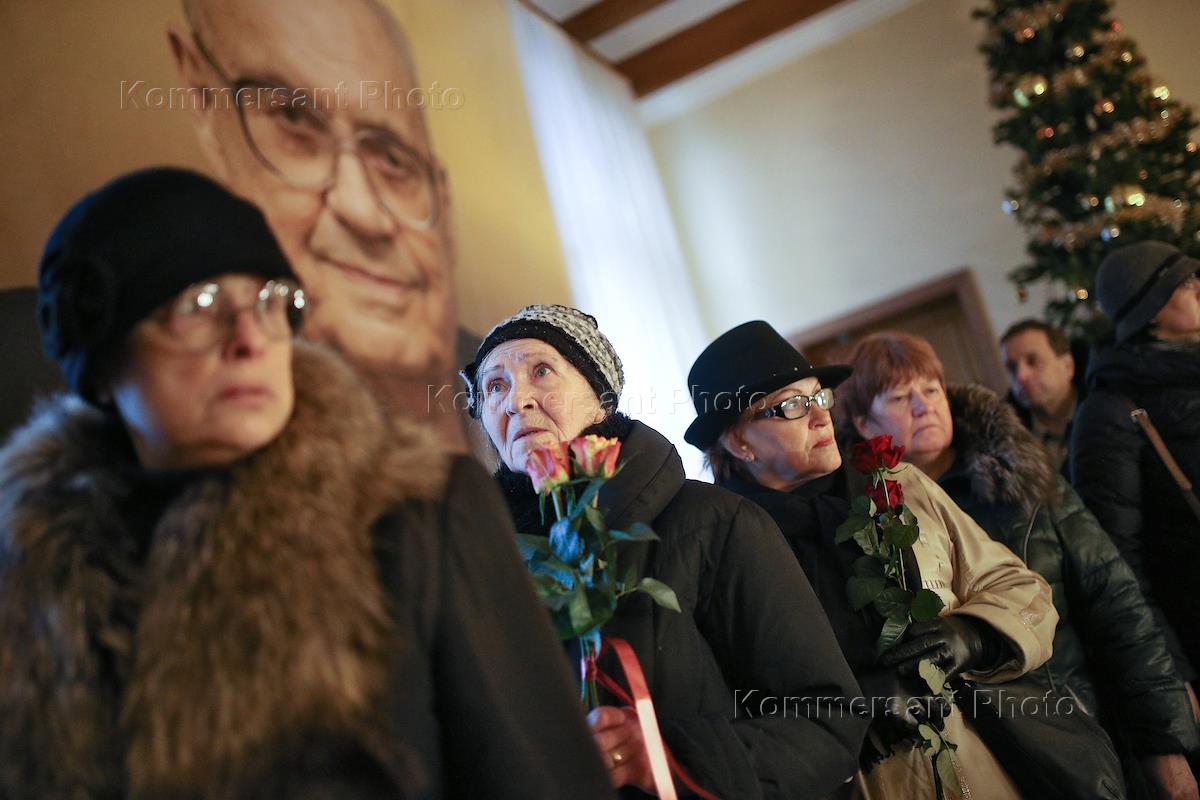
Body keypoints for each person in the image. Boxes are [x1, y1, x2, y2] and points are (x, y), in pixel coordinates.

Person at [0, 169, 613, 799]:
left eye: (271, 302)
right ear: (103, 362)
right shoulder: (29, 574)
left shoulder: (420, 513)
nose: (250, 339)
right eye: (200, 305)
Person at [461, 304, 869, 799]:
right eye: (494, 386)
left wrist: (668, 758)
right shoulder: (477, 570)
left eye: (541, 371)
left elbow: (829, 720)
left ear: (601, 400)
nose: (516, 400)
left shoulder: (715, 523)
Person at [688, 320, 1058, 800]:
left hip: (979, 768)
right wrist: (848, 708)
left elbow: (1020, 588)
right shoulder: (722, 548)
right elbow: (727, 711)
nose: (820, 417)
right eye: (791, 406)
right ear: (739, 442)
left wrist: (970, 636)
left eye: (819, 397)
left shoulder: (896, 484)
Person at [840, 330, 1199, 800]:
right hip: (968, 764)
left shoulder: (1024, 482)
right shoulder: (859, 526)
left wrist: (1164, 742)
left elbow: (1115, 601)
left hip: (1080, 731)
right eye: (901, 397)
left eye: (931, 389)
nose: (924, 406)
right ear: (864, 423)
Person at [168, 0, 470, 450]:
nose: (364, 213)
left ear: (443, 201)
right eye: (293, 118)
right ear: (202, 98)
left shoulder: (530, 387)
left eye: (394, 160)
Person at [1073, 240, 1200, 725]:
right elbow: (1116, 560)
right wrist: (1171, 674)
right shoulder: (1111, 411)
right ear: (1150, 310)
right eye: (1184, 283)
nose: (1199, 288)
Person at [999, 318, 1085, 475]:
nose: (1021, 376)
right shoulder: (1008, 445)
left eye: (1033, 361)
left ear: (1068, 366)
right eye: (1012, 367)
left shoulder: (1110, 411)